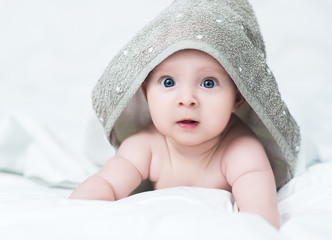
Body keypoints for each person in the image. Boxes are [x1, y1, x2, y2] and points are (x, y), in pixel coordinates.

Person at [70, 0, 301, 230]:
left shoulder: (242, 150)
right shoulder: (145, 146)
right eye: (168, 82)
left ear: (238, 98)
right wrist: (77, 216)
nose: (187, 99)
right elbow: (105, 185)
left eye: (208, 83)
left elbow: (260, 219)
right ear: (145, 92)